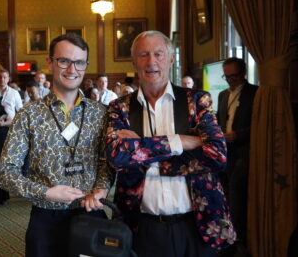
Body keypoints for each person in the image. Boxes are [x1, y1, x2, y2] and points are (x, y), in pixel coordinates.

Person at [106, 31, 236, 256]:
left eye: (158, 54)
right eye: (144, 54)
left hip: (198, 224)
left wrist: (144, 151)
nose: (151, 62)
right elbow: (117, 156)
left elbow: (218, 155)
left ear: (171, 58)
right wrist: (181, 142)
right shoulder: (120, 107)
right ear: (134, 61)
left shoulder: (197, 101)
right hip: (143, 226)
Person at [0, 33, 112, 257]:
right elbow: (5, 173)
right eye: (64, 61)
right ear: (50, 62)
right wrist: (47, 192)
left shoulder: (100, 113)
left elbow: (105, 162)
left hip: (90, 213)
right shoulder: (28, 114)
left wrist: (102, 188)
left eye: (79, 62)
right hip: (45, 218)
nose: (72, 69)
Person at [216, 57, 258, 253]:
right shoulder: (223, 95)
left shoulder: (255, 93)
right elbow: (219, 120)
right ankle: (228, 235)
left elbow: (260, 126)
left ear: (243, 74)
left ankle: (237, 238)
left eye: (235, 76)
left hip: (245, 152)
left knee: (236, 195)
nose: (231, 80)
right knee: (225, 192)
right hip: (226, 153)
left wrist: (238, 135)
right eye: (227, 77)